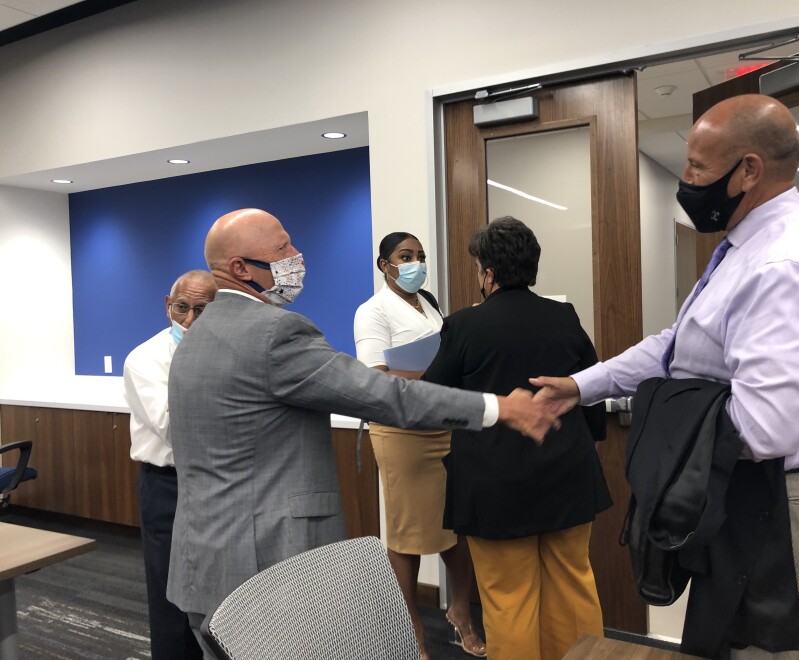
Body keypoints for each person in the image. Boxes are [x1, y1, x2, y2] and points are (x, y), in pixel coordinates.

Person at [532, 94, 799, 658]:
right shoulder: (744, 246)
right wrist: (580, 385)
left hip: (786, 500)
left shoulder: (784, 264)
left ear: (749, 171)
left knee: (773, 652)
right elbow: (678, 347)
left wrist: (661, 416)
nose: (686, 180)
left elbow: (766, 428)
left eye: (697, 167)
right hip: (747, 491)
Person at [165, 208, 561, 657]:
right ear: (239, 268)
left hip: (204, 557)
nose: (296, 255)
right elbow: (383, 393)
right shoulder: (274, 332)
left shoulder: (195, 333)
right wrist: (497, 406)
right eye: (282, 248)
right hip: (266, 562)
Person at [422, 217, 611, 660]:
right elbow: (590, 387)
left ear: (487, 273)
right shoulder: (564, 316)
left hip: (495, 484)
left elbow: (432, 396)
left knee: (510, 598)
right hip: (566, 473)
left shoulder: (465, 324)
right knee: (574, 584)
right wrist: (592, 439)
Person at [354, 232, 485, 659]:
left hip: (443, 426)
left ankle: (461, 611)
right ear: (384, 265)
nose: (415, 263)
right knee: (408, 533)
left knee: (456, 525)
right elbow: (374, 377)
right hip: (401, 433)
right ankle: (411, 631)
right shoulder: (371, 312)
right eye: (405, 256)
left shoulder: (428, 301)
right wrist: (435, 382)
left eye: (420, 256)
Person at [122, 269, 218, 660]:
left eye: (202, 309)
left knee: (218, 593)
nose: (189, 320)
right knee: (171, 596)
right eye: (182, 308)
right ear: (167, 306)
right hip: (168, 485)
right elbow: (174, 427)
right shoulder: (145, 359)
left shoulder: (226, 352)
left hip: (218, 482)